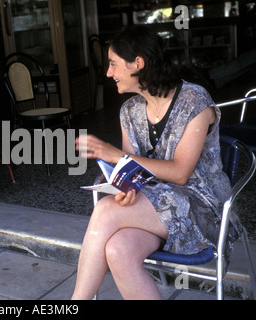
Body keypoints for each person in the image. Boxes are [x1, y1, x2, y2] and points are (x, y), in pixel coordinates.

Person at [72, 25, 241, 300]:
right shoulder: (130, 111)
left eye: (113, 64)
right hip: (158, 209)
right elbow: (132, 172)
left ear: (138, 64)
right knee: (117, 250)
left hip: (202, 211)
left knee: (104, 211)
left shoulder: (193, 101)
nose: (108, 73)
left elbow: (181, 173)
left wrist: (116, 155)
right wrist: (127, 188)